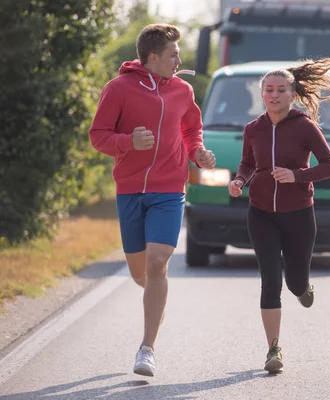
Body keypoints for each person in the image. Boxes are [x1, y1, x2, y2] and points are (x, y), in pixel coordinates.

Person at [88, 24, 216, 377]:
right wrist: (129, 142)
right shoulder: (118, 89)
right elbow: (98, 136)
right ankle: (156, 295)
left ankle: (147, 349)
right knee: (140, 272)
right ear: (153, 57)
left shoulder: (182, 90)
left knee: (158, 262)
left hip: (169, 188)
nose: (179, 60)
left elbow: (191, 129)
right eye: (173, 54)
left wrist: (198, 153)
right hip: (129, 189)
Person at [228, 57, 330, 373]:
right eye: (269, 90)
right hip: (261, 213)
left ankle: (303, 288)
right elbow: (248, 163)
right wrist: (240, 180)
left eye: (281, 90)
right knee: (270, 279)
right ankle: (273, 349)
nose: (274, 95)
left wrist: (297, 176)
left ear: (292, 95)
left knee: (294, 281)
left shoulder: (305, 127)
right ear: (262, 94)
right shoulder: (253, 129)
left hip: (298, 214)